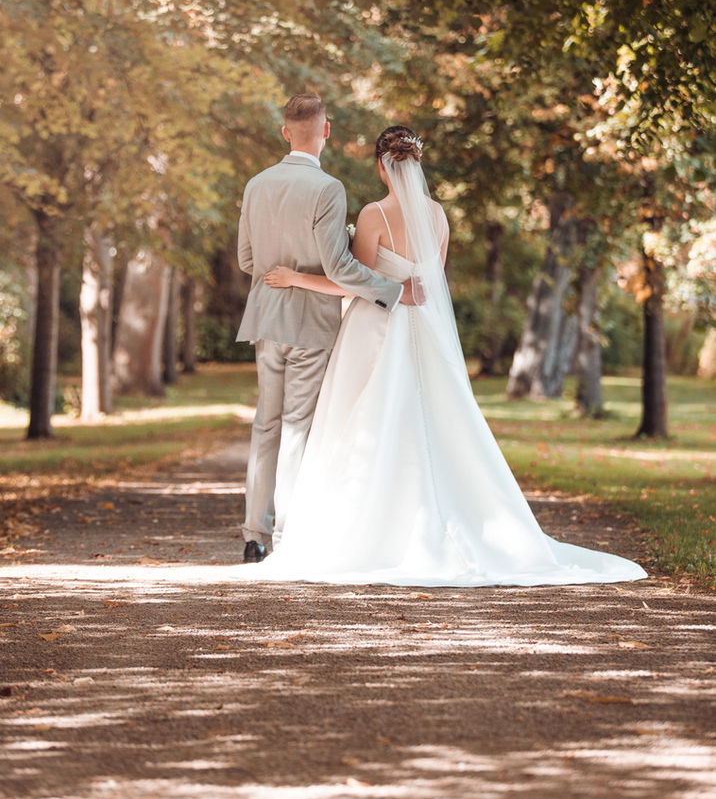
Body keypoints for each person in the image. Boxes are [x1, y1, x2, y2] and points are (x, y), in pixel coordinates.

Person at [233, 125, 647, 587]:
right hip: (427, 330)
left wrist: (295, 278)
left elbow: (355, 282)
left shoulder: (374, 215)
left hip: (376, 331)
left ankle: (367, 526)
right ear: (416, 163)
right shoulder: (438, 216)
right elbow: (431, 282)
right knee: (433, 419)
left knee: (365, 421)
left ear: (380, 164)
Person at [236, 96, 416, 563]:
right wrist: (391, 291)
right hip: (311, 322)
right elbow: (339, 267)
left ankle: (255, 536)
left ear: (285, 132)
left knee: (265, 426)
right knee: (297, 427)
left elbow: (247, 260)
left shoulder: (257, 185)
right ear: (327, 131)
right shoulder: (327, 188)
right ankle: (291, 538)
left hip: (266, 319)